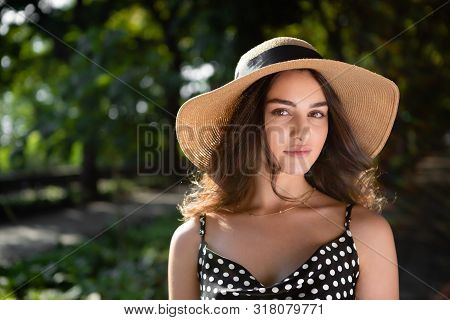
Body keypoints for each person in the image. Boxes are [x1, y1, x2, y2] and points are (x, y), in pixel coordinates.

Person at [168, 37, 400, 300]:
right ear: (248, 123)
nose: (302, 131)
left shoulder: (366, 234)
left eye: (316, 114)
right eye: (282, 112)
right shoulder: (192, 241)